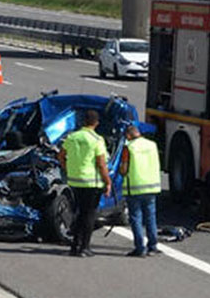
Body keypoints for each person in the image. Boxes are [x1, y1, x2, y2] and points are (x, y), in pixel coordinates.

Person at [58, 109, 111, 257]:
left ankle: (75, 245)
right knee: (89, 215)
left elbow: (61, 155)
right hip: (91, 183)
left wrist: (67, 168)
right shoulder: (97, 140)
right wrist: (108, 182)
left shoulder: (72, 137)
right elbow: (101, 164)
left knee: (79, 212)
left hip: (75, 181)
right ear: (96, 123)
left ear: (83, 122)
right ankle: (84, 247)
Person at [119, 125, 162, 257]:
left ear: (128, 135)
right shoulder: (152, 145)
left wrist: (120, 171)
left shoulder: (129, 147)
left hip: (135, 188)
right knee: (150, 217)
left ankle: (140, 248)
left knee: (136, 218)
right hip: (151, 187)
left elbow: (124, 169)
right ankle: (153, 246)